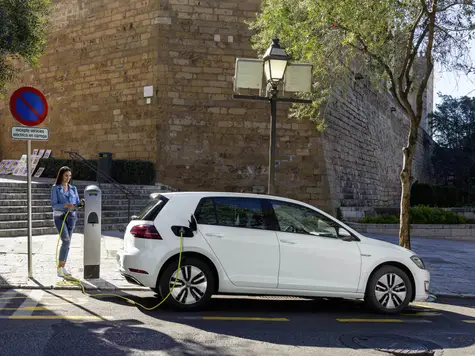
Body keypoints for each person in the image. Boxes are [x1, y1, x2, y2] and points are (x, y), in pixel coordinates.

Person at [51, 166, 84, 278]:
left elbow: (77, 203)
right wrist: (66, 205)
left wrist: (80, 204)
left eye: (69, 176)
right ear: (61, 175)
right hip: (60, 217)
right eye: (66, 175)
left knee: (68, 243)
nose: (68, 178)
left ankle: (63, 267)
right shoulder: (55, 188)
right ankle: (59, 268)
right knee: (65, 240)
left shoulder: (73, 188)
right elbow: (54, 205)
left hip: (71, 217)